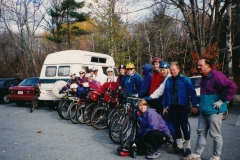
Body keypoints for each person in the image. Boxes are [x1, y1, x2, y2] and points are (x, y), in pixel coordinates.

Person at [184, 57, 238, 160]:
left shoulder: (217, 76)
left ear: (208, 66)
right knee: (201, 133)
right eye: (198, 65)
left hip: (214, 111)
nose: (198, 67)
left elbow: (233, 87)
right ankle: (196, 154)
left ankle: (216, 156)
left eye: (200, 65)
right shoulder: (204, 77)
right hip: (203, 111)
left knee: (215, 135)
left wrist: (222, 101)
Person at [162, 62, 198, 157]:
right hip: (172, 108)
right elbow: (165, 95)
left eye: (174, 69)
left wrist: (195, 105)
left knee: (184, 127)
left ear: (178, 69)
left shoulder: (185, 80)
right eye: (171, 70)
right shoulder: (168, 80)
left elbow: (192, 93)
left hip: (182, 108)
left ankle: (188, 148)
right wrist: (164, 106)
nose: (172, 71)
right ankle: (179, 146)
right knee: (176, 127)